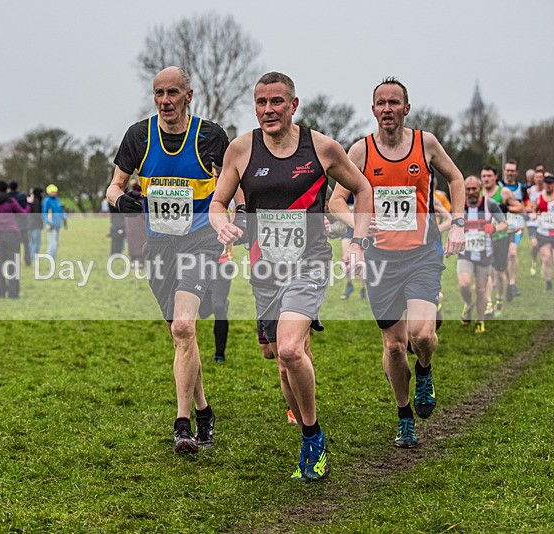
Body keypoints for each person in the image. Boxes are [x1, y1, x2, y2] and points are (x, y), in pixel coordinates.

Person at [211, 71, 373, 481]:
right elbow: (218, 202)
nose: (269, 110)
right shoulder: (241, 149)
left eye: (277, 101)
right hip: (264, 269)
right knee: (279, 360)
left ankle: (313, 436)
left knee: (287, 349)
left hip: (310, 263)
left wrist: (357, 241)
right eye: (261, 102)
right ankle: (305, 425)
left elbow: (364, 189)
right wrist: (222, 225)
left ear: (293, 105)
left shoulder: (321, 147)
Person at [330, 77, 465, 450]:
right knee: (392, 346)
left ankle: (424, 369)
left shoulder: (426, 143)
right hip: (381, 260)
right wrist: (356, 226)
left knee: (421, 335)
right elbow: (336, 200)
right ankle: (405, 417)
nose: (387, 109)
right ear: (372, 110)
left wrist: (457, 222)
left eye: (394, 102)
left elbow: (455, 178)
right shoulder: (360, 151)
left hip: (422, 255)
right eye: (381, 103)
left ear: (406, 108)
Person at [107, 66, 231, 455]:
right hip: (158, 248)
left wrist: (233, 216)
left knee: (183, 326)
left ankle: (182, 426)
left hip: (199, 241)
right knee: (183, 337)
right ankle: (204, 410)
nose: (165, 101)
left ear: (188, 96)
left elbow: (232, 183)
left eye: (173, 92)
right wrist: (120, 200)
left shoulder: (210, 137)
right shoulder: (138, 136)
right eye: (159, 93)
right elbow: (114, 185)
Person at [458, 175, 507, 333]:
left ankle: (480, 320)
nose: (471, 192)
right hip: (465, 253)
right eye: (468, 189)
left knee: (481, 290)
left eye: (474, 189)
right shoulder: (459, 205)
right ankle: (468, 303)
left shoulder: (490, 204)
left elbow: (504, 224)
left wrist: (493, 229)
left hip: (484, 255)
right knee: (464, 284)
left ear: (480, 189)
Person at [480, 165, 522, 316]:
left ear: (495, 177)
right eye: (483, 176)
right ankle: (489, 304)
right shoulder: (478, 194)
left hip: (501, 237)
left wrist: (505, 208)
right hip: (484, 239)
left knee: (498, 272)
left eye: (489, 176)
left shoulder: (503, 192)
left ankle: (499, 299)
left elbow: (520, 208)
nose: (486, 179)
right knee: (486, 272)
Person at [0, 179, 24, 299]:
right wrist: (28, 206)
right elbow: (22, 213)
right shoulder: (10, 201)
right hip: (12, 234)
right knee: (13, 264)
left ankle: (0, 292)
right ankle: (13, 293)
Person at [197, 243, 234, 363]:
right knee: (203, 312)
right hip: (201, 263)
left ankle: (219, 355)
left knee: (219, 308)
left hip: (224, 265)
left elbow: (241, 226)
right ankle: (218, 301)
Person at [499, 160, 528, 300]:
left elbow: (525, 208)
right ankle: (506, 283)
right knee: (502, 259)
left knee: (512, 253)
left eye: (512, 171)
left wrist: (507, 208)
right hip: (500, 228)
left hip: (516, 226)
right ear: (504, 171)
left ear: (516, 172)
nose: (510, 173)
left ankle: (512, 284)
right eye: (508, 170)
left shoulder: (522, 189)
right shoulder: (498, 187)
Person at [533, 173, 554, 291]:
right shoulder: (539, 197)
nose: (548, 186)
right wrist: (535, 215)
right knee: (546, 258)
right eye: (547, 184)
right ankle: (548, 283)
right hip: (543, 232)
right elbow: (534, 209)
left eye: (551, 184)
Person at [8, 181, 33, 266]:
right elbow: (26, 208)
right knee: (26, 244)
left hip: (12, 225)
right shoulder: (22, 196)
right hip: (23, 224)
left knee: (16, 245)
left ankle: (16, 261)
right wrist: (29, 205)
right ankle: (27, 261)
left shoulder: (8, 197)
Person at [42, 184, 67, 260]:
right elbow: (44, 213)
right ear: (49, 192)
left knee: (57, 242)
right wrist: (48, 222)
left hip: (57, 224)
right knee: (52, 242)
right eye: (53, 192)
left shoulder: (57, 200)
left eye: (55, 192)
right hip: (51, 225)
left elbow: (61, 211)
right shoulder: (47, 201)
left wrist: (64, 220)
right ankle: (49, 258)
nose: (55, 193)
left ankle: (54, 257)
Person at [28, 187, 45, 258]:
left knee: (31, 241)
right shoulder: (37, 202)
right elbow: (37, 214)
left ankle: (30, 256)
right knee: (37, 242)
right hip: (36, 224)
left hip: (30, 224)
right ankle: (34, 256)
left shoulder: (32, 201)